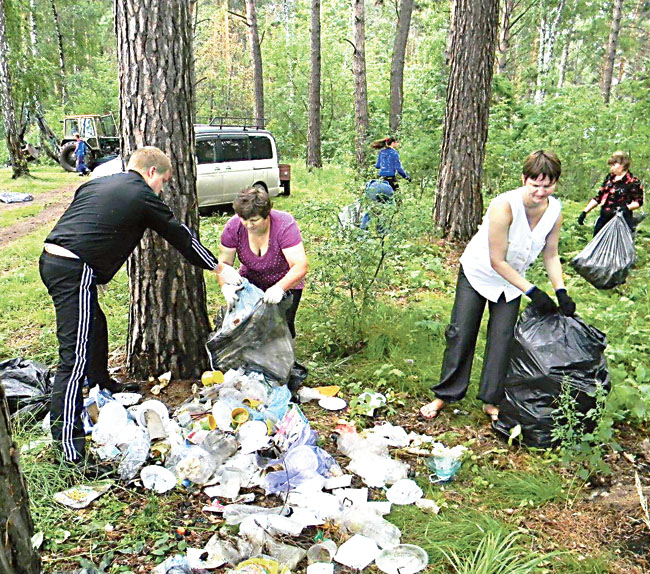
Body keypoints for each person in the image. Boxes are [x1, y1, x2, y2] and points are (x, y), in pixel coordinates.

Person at [39, 146, 241, 465]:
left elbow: (89, 222)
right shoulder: (142, 195)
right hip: (73, 269)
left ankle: (102, 381)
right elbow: (180, 236)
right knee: (73, 358)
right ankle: (68, 449)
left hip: (57, 261)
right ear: (150, 173)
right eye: (163, 180)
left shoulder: (98, 183)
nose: (162, 188)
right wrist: (218, 267)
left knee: (96, 323)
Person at [419, 150, 576, 422]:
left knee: (503, 339)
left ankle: (491, 400)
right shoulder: (505, 205)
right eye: (535, 184)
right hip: (479, 273)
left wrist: (560, 290)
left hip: (512, 284)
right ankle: (445, 395)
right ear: (524, 179)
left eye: (547, 185)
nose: (541, 191)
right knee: (462, 334)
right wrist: (533, 291)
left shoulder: (555, 211)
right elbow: (496, 260)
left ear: (556, 183)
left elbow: (551, 254)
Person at [217, 187, 308, 338]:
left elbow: (300, 266)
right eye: (244, 219)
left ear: (266, 215)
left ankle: (285, 359)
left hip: (286, 281)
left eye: (254, 220)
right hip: (250, 281)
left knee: (282, 326)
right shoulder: (233, 227)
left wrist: (279, 288)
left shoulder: (284, 225)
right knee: (248, 327)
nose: (248, 225)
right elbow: (224, 264)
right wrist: (225, 286)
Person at [578, 151, 644, 236]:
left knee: (618, 248)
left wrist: (625, 208)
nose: (611, 168)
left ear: (623, 164)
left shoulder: (633, 182)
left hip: (621, 221)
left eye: (614, 165)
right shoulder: (609, 178)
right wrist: (585, 211)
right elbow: (599, 197)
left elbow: (638, 202)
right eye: (611, 165)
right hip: (604, 219)